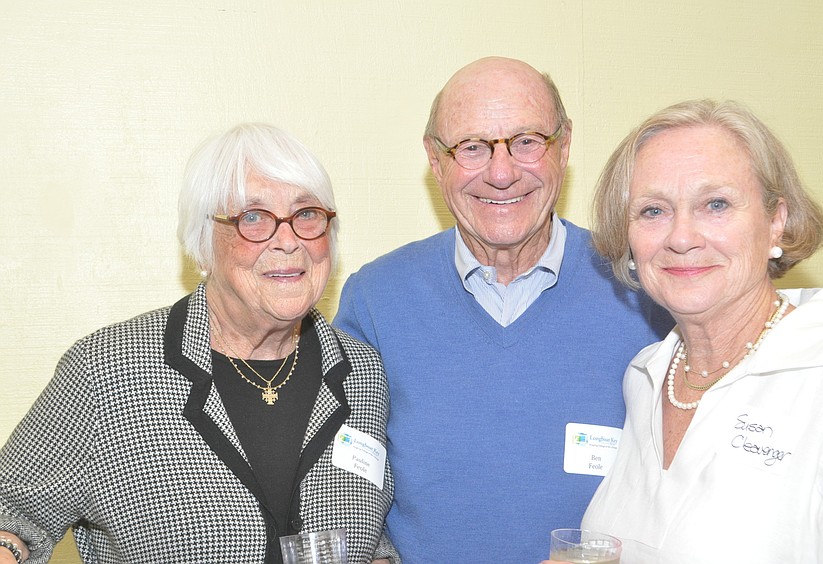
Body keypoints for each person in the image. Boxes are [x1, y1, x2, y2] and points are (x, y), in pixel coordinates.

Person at [0, 123, 397, 564]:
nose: (288, 241)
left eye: (307, 214)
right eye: (253, 217)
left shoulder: (362, 371)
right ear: (203, 245)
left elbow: (368, 532)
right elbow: (11, 517)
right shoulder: (106, 372)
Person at [333, 57, 672, 563]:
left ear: (565, 144)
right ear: (435, 158)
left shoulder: (644, 291)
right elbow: (339, 474)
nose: (501, 172)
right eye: (471, 147)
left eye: (527, 141)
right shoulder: (376, 298)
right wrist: (375, 552)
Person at [576, 99, 823, 562]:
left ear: (776, 222)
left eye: (715, 204)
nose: (682, 237)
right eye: (653, 211)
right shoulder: (646, 376)